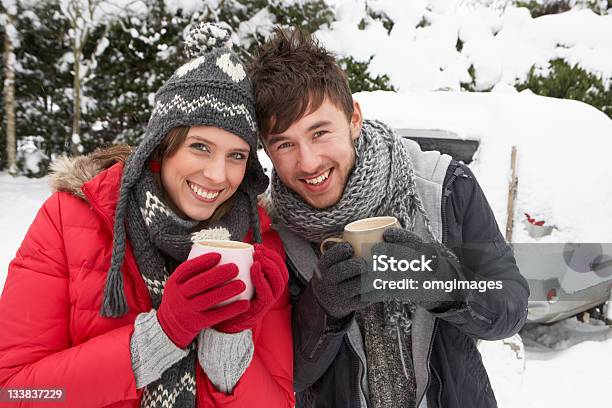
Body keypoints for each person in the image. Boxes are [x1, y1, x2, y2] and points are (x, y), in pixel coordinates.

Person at [0, 23, 294, 408]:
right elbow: (16, 393)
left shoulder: (259, 243)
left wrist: (227, 340)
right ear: (161, 146)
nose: (218, 175)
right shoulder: (68, 220)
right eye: (200, 147)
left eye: (236, 155)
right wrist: (160, 336)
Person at [249, 27, 529, 408]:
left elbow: (510, 304)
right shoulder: (272, 231)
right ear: (267, 149)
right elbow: (288, 374)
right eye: (285, 144)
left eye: (320, 133)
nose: (308, 162)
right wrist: (323, 309)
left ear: (354, 119)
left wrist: (448, 287)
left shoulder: (443, 187)